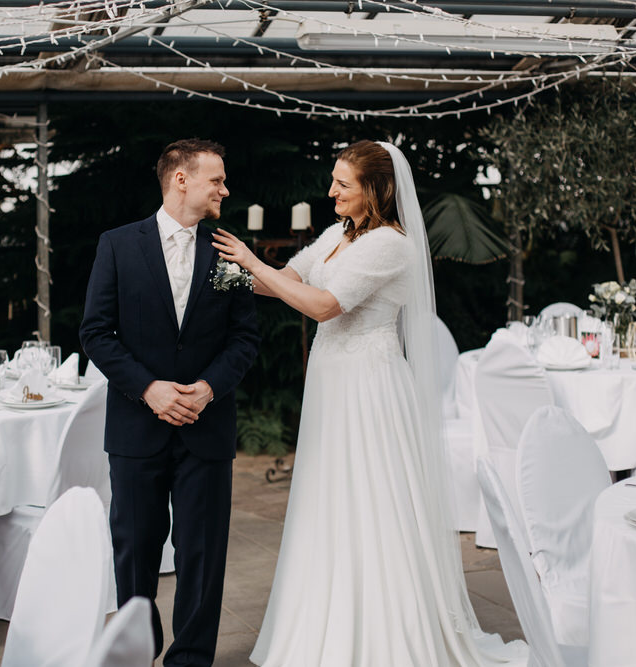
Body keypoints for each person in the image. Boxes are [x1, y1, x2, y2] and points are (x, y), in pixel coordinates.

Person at [212, 140, 527, 666]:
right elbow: (287, 282)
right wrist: (230, 276)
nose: (331, 190)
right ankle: (328, 617)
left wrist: (248, 257)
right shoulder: (338, 234)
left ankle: (384, 629)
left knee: (373, 498)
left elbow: (323, 306)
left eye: (343, 183)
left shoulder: (391, 246)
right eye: (333, 179)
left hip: (370, 386)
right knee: (330, 496)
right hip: (332, 385)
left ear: (376, 190)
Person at [79, 138, 260, 666]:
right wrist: (149, 388)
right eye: (217, 179)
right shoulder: (117, 244)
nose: (225, 188)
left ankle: (191, 659)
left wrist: (207, 389)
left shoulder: (231, 249)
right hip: (138, 427)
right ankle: (138, 651)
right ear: (181, 179)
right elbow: (96, 332)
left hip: (207, 425)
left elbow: (244, 338)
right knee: (134, 552)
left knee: (203, 555)